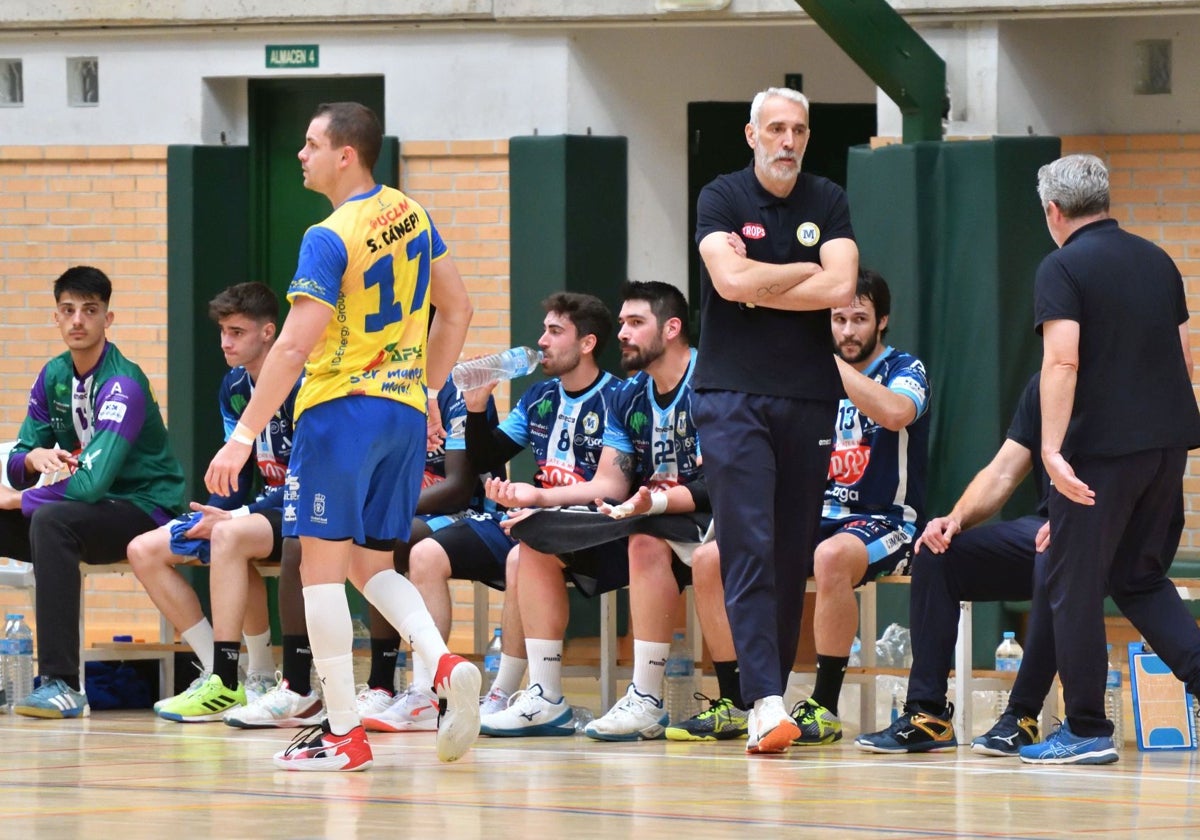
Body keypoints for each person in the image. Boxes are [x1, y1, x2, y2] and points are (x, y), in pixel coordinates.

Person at [205, 101, 477, 772]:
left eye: (310, 144)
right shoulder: (413, 214)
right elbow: (459, 308)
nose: (300, 154)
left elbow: (293, 347)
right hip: (403, 414)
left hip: (340, 413)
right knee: (367, 564)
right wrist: (429, 389)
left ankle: (344, 734)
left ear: (345, 154)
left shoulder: (329, 235)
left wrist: (242, 436)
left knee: (320, 574)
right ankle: (440, 661)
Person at [666, 269, 929, 746]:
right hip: (814, 510)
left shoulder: (904, 368)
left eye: (859, 319)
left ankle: (824, 705)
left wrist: (825, 365)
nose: (847, 331)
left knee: (830, 558)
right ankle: (737, 701)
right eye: (838, 319)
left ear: (883, 321)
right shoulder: (802, 376)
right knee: (708, 561)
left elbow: (895, 412)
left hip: (881, 519)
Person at [692, 85, 858, 754]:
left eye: (799, 131)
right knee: (749, 539)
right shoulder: (721, 197)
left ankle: (776, 691)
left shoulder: (829, 199)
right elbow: (728, 286)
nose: (788, 141)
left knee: (791, 550)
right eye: (777, 130)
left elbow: (842, 287)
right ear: (752, 134)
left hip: (809, 395)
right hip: (732, 394)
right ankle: (762, 700)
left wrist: (759, 275)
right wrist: (797, 274)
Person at [1021, 153, 1200, 765]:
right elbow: (1184, 358)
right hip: (1166, 448)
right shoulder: (1158, 260)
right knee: (1140, 577)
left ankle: (1087, 727)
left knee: (1073, 584)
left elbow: (1062, 360)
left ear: (1053, 210)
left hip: (1098, 456)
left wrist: (1049, 448)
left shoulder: (1061, 266)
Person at [481, 281, 709, 741]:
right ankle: (544, 696)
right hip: (644, 512)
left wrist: (653, 501)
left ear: (671, 328)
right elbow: (610, 483)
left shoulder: (709, 382)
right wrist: (536, 498)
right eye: (622, 323)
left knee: (646, 538)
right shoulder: (631, 394)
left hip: (704, 515)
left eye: (635, 323)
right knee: (534, 539)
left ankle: (647, 697)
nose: (622, 333)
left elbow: (720, 483)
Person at [409, 291, 618, 733]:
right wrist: (478, 405)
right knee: (424, 554)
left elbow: (615, 488)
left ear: (587, 343)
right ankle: (427, 692)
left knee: (522, 551)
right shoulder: (540, 395)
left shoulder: (616, 397)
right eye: (544, 329)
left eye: (555, 331)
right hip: (531, 518)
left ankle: (505, 690)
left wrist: (535, 499)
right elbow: (490, 455)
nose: (541, 340)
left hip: (584, 525)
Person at [0, 266, 186, 718]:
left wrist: (19, 499)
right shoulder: (55, 376)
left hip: (145, 509)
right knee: (50, 521)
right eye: (68, 310)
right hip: (90, 512)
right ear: (56, 317)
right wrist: (31, 460)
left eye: (90, 310)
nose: (77, 320)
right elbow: (20, 452)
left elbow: (90, 484)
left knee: (50, 520)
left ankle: (62, 683)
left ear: (109, 318)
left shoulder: (123, 383)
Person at [125, 281, 302, 723]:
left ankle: (243, 678)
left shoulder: (304, 383)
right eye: (223, 331)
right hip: (253, 511)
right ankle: (223, 672)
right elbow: (233, 473)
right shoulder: (234, 385)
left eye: (237, 332)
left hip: (300, 508)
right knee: (143, 549)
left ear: (268, 332)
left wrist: (234, 516)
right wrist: (212, 512)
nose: (226, 341)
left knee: (230, 535)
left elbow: (307, 477)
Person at [854, 372, 1056, 754]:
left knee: (1055, 558)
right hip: (1046, 527)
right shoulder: (1042, 386)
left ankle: (1022, 716)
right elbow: (1002, 471)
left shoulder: (1116, 382)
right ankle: (927, 715)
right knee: (937, 553)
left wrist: (1080, 526)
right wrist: (955, 520)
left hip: (1101, 533)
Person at [351, 374, 500, 733]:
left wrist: (386, 507)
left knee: (384, 537)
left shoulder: (459, 388)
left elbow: (458, 489)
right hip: (409, 510)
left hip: (466, 511)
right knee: (371, 536)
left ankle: (425, 691)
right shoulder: (386, 383)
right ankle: (382, 687)